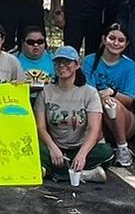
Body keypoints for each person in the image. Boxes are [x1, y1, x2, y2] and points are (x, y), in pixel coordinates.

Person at [37, 46, 113, 184]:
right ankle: (82, 174)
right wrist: (52, 147)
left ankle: (53, 172)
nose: (62, 66)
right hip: (55, 147)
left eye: (67, 62)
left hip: (80, 146)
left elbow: (93, 128)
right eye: (58, 62)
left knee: (106, 153)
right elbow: (41, 127)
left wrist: (82, 154)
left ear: (77, 64)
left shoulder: (90, 93)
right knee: (35, 149)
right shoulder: (45, 92)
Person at [82, 24, 135, 167]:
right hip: (95, 112)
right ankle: (100, 147)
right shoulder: (89, 61)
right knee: (96, 105)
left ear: (126, 44)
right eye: (112, 38)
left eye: (121, 40)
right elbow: (86, 92)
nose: (115, 43)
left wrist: (112, 94)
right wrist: (101, 98)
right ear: (103, 39)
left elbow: (129, 100)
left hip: (124, 120)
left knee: (112, 104)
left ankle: (122, 148)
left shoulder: (130, 66)